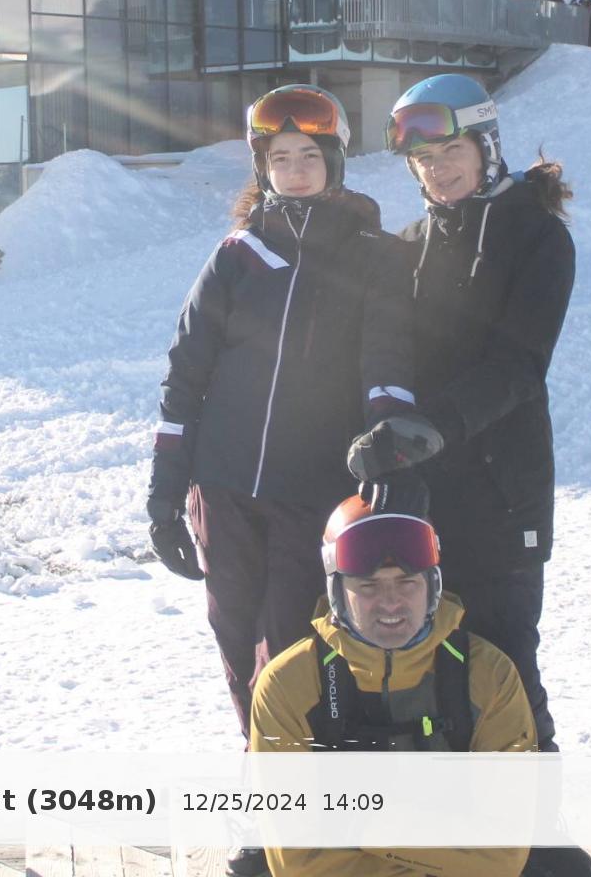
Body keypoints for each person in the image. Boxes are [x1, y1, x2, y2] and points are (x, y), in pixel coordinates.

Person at [147, 85, 433, 748]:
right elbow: (185, 378)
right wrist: (165, 498)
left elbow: (386, 363)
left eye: (309, 155)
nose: (296, 170)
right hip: (223, 490)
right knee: (234, 640)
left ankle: (296, 779)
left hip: (312, 492)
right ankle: (267, 779)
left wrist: (390, 449)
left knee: (290, 646)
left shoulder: (375, 256)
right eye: (280, 158)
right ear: (263, 167)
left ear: (334, 161)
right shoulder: (238, 255)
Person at [355, 73, 576, 754]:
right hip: (425, 494)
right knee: (430, 675)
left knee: (503, 664)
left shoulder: (537, 236)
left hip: (503, 494)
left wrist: (430, 428)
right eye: (423, 159)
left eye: (451, 152)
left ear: (487, 147)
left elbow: (517, 364)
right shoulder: (410, 243)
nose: (438, 169)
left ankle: (534, 810)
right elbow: (386, 349)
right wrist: (386, 430)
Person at [250, 496, 535, 877]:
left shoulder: (489, 676)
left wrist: (355, 823)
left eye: (407, 582)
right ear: (338, 591)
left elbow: (504, 853)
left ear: (432, 586)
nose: (390, 602)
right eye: (368, 586)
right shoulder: (287, 685)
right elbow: (297, 862)